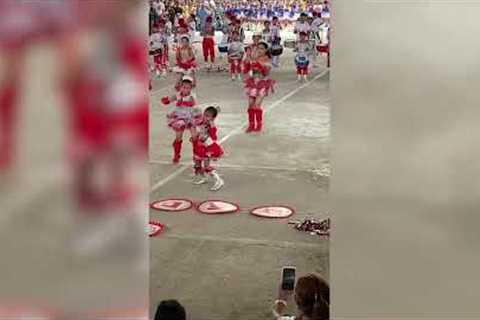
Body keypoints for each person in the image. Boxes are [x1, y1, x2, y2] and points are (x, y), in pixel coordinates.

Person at [161, 76, 202, 164]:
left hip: (191, 116)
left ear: (191, 88)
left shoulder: (192, 96)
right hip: (179, 116)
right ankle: (176, 154)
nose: (185, 89)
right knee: (179, 136)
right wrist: (166, 100)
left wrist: (181, 101)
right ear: (181, 87)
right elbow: (169, 99)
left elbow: (191, 103)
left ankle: (196, 154)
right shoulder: (177, 94)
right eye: (183, 87)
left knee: (194, 136)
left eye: (187, 88)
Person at [244, 41, 275, 133]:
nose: (259, 50)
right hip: (253, 83)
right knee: (250, 105)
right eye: (258, 48)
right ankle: (251, 124)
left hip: (262, 84)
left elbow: (266, 72)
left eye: (261, 48)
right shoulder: (253, 58)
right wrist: (248, 58)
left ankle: (259, 124)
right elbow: (245, 70)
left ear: (266, 50)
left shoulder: (267, 60)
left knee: (257, 105)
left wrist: (257, 63)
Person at [192, 106, 225, 191]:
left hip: (206, 148)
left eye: (208, 116)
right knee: (197, 164)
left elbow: (213, 137)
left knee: (206, 166)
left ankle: (219, 180)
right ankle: (204, 178)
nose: (205, 117)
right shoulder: (201, 122)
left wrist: (205, 133)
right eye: (204, 114)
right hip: (198, 146)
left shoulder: (211, 125)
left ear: (212, 118)